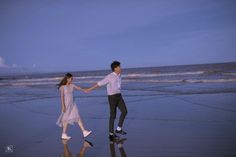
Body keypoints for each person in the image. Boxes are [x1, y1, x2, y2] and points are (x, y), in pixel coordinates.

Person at [86, 61, 128, 140]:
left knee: (125, 111)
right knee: (113, 115)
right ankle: (111, 134)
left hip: (119, 96)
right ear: (115, 68)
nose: (120, 68)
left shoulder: (119, 76)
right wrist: (89, 89)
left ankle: (118, 129)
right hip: (112, 97)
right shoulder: (109, 76)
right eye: (119, 66)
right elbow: (99, 83)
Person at [56, 73, 92, 140]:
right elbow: (62, 97)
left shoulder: (72, 85)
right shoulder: (62, 87)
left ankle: (84, 131)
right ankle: (63, 134)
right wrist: (63, 106)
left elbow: (79, 88)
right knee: (65, 119)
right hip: (66, 105)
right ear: (67, 78)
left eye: (72, 79)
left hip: (73, 104)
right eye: (71, 79)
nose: (72, 80)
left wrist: (86, 90)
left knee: (77, 116)